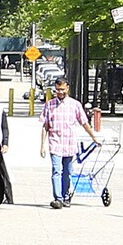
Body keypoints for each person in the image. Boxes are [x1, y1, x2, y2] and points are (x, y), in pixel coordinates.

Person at [42, 75, 93, 208]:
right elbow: (45, 126)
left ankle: (65, 196)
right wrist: (42, 145)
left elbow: (84, 123)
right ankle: (57, 198)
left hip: (69, 144)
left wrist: (94, 137)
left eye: (63, 89)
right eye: (58, 89)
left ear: (67, 89)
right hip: (55, 143)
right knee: (56, 170)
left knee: (68, 172)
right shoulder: (49, 105)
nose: (60, 92)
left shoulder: (75, 105)